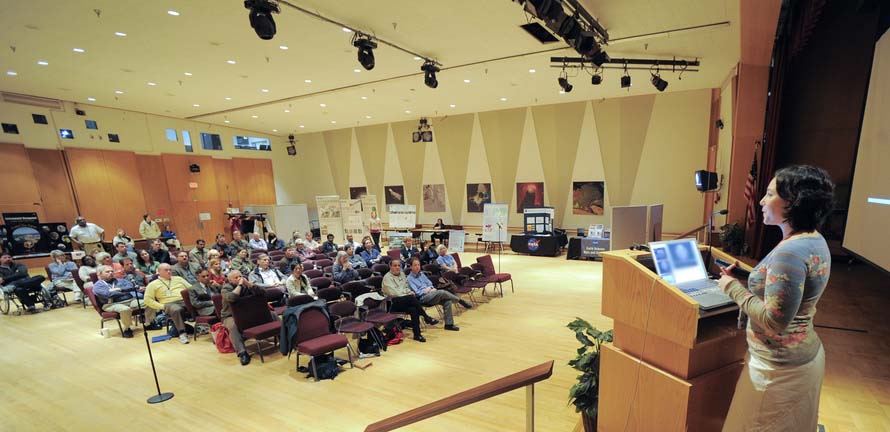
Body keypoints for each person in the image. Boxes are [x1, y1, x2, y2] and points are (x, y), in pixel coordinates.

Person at [717, 165, 835, 432]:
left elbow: (774, 321)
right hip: (800, 359)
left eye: (769, 194)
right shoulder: (813, 239)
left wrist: (731, 287)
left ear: (793, 202)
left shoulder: (789, 253)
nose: (760, 201)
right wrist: (753, 282)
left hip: (778, 370)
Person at [222, 270, 275, 365]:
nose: (239, 279)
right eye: (236, 278)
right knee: (233, 326)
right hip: (230, 315)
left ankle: (284, 339)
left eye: (240, 276)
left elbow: (263, 293)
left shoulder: (247, 285)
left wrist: (249, 284)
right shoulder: (226, 288)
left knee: (272, 314)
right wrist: (240, 285)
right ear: (230, 280)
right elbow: (232, 298)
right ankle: (242, 353)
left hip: (249, 312)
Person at [406, 258, 471, 331]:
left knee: (448, 301)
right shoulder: (409, 279)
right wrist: (426, 290)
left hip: (431, 294)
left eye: (418, 265)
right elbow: (417, 293)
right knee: (442, 292)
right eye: (415, 265)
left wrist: (430, 288)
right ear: (411, 267)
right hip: (422, 298)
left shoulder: (422, 274)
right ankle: (459, 301)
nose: (417, 267)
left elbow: (430, 283)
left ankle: (449, 325)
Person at [381, 259, 436, 342]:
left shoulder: (402, 274)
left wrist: (409, 291)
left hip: (405, 300)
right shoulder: (387, 278)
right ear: (390, 267)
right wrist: (407, 294)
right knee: (411, 298)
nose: (397, 267)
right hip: (393, 303)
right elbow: (394, 293)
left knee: (413, 309)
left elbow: (406, 287)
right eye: (395, 265)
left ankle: (417, 335)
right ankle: (426, 317)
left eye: (399, 265)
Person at [92, 265, 154, 337]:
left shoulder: (120, 280)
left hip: (130, 300)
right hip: (111, 304)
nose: (111, 273)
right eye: (107, 272)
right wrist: (124, 291)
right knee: (125, 309)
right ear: (100, 274)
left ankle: (149, 324)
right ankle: (127, 329)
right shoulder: (98, 285)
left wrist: (119, 289)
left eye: (112, 271)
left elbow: (131, 286)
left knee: (150, 303)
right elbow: (108, 294)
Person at [143, 263, 192, 344]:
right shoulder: (153, 284)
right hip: (168, 304)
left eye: (170, 270)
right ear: (159, 271)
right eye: (166, 270)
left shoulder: (178, 279)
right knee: (176, 309)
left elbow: (191, 288)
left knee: (200, 304)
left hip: (184, 300)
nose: (169, 271)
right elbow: (147, 300)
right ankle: (182, 333)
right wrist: (162, 306)